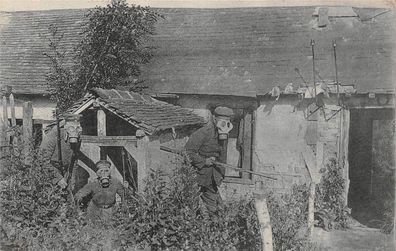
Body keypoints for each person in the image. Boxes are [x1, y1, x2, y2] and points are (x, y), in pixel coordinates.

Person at [185, 106, 234, 217]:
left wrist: (221, 173)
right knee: (206, 208)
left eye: (227, 121)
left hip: (212, 177)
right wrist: (203, 161)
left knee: (219, 208)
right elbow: (188, 151)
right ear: (214, 118)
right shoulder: (203, 132)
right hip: (198, 176)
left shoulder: (224, 134)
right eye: (222, 120)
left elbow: (222, 155)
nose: (224, 124)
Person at [75, 160, 127, 224]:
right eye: (101, 171)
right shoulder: (93, 183)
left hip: (111, 211)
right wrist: (80, 206)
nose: (104, 173)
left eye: (106, 171)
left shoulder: (115, 182)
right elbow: (79, 194)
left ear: (109, 172)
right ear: (97, 173)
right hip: (95, 211)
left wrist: (126, 188)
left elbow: (125, 195)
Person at [39, 114, 82, 189]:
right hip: (49, 172)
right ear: (66, 128)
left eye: (78, 128)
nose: (75, 132)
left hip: (65, 173)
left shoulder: (77, 139)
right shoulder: (53, 136)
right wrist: (58, 179)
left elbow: (74, 160)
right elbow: (42, 160)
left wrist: (72, 180)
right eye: (72, 128)